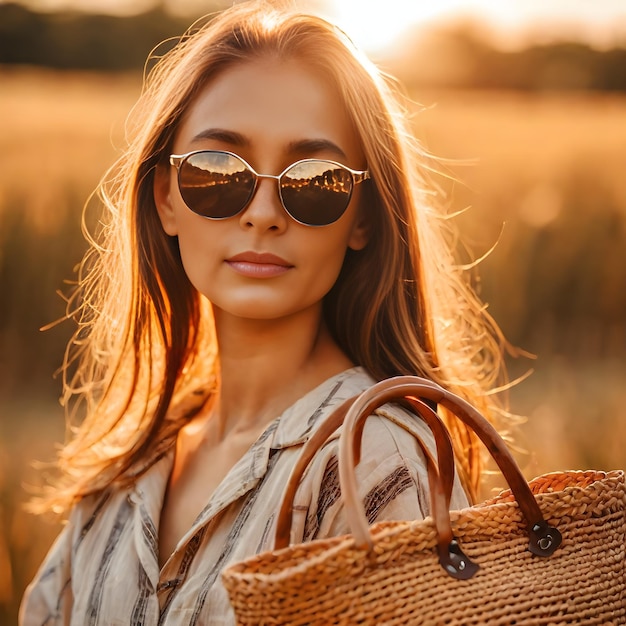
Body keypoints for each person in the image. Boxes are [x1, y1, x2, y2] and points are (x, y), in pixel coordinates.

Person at [20, 1, 511, 624]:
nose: (262, 213)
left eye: (314, 181)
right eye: (217, 171)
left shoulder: (373, 463)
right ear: (166, 199)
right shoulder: (128, 466)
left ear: (362, 217)